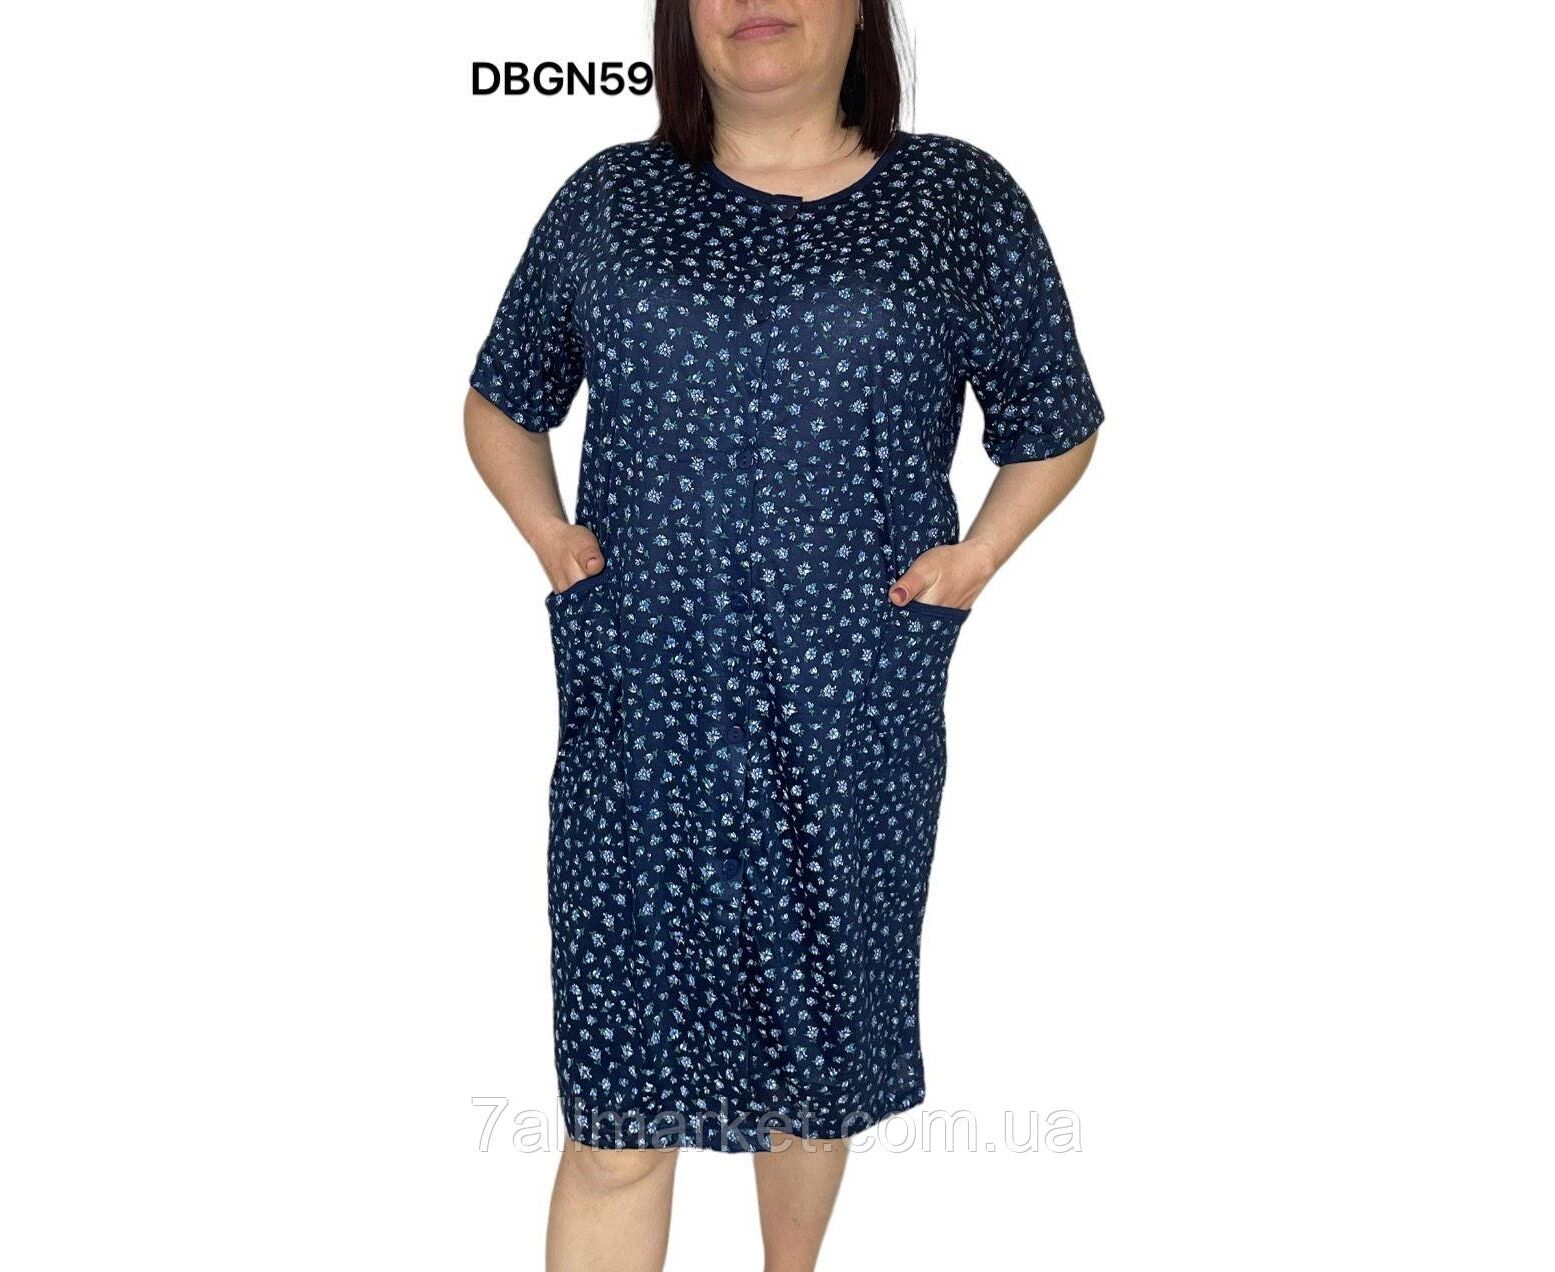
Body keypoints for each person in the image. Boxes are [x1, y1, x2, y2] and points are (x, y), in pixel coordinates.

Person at [463, 2, 1104, 1267]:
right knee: (617, 1108)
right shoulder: (611, 201)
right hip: (643, 714)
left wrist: (977, 557)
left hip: (851, 707)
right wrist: (547, 532)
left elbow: (1055, 416)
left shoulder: (955, 200)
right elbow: (501, 399)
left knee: (814, 1061)